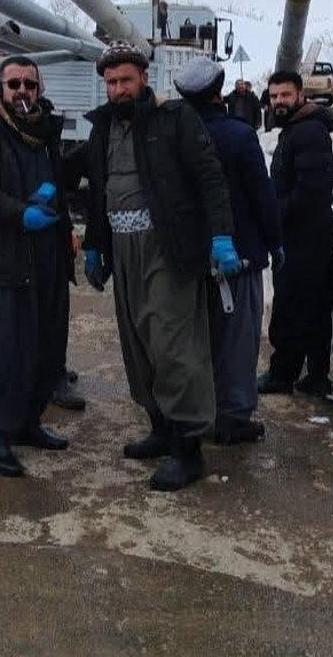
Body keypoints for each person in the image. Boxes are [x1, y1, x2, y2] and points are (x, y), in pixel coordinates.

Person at [82, 41, 239, 491]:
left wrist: (221, 234)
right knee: (138, 344)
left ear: (143, 79)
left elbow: (210, 177)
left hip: (166, 249)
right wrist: (95, 245)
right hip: (123, 248)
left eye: (125, 80)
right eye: (111, 83)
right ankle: (160, 428)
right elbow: (99, 192)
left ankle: (189, 448)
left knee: (173, 345)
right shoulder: (102, 129)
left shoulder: (175, 121)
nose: (117, 90)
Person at [0, 56, 74, 477]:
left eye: (29, 84)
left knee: (42, 345)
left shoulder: (47, 133)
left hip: (45, 259)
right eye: (14, 84)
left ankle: (28, 423)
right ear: (0, 88)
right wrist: (20, 212)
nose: (22, 91)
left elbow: (63, 184)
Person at [174, 57, 283, 444]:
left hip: (189, 257)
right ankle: (232, 417)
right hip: (239, 255)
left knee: (195, 340)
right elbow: (261, 196)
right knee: (236, 341)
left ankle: (195, 411)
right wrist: (275, 241)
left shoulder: (174, 134)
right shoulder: (238, 135)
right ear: (218, 92)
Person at [257, 70, 333, 399]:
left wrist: (277, 213)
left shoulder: (307, 132)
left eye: (285, 95)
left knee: (292, 305)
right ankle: (316, 376)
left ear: (300, 94)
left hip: (306, 233)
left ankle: (282, 374)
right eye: (274, 96)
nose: (278, 102)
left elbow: (315, 189)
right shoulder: (298, 128)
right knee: (314, 304)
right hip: (309, 230)